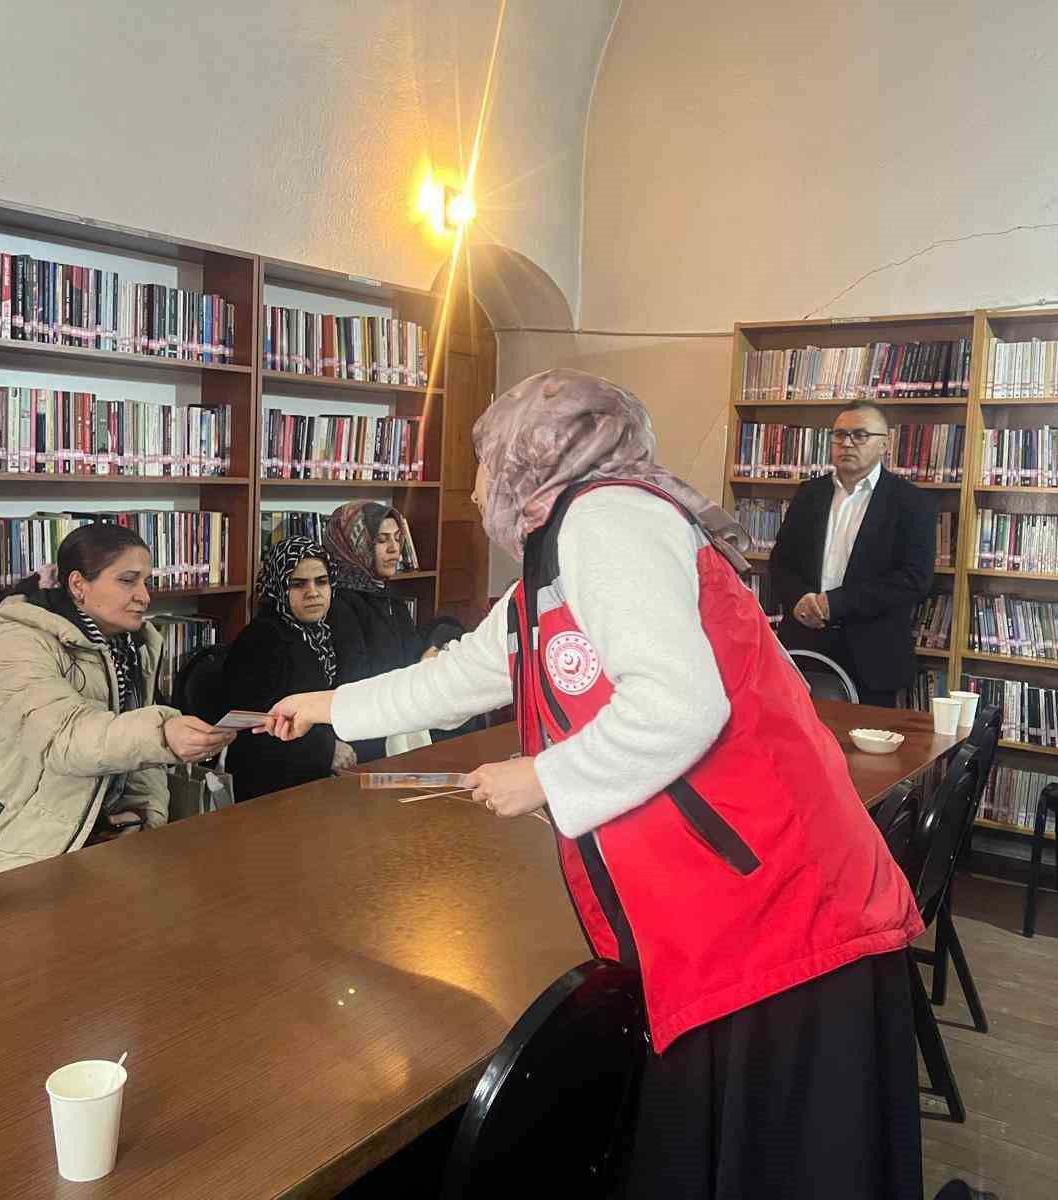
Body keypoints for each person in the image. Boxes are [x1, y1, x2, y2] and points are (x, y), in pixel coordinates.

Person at [267, 369, 925, 1198]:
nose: (475, 487)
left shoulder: (605, 521)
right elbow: (470, 672)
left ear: (537, 454)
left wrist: (540, 776)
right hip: (743, 893)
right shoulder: (570, 539)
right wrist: (328, 706)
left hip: (771, 901)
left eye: (485, 459)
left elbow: (679, 707)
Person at [0, 523, 235, 889]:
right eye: (128, 581)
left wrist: (145, 821)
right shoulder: (15, 644)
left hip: (89, 844)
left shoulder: (128, 649)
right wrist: (162, 732)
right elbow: (67, 738)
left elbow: (137, 763)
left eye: (146, 581)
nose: (145, 597)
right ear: (78, 585)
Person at [768, 400, 936, 706]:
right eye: (839, 435)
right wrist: (799, 598)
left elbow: (914, 579)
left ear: (885, 443)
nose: (847, 443)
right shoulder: (809, 494)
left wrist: (836, 603)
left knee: (866, 752)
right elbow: (780, 563)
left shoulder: (911, 502)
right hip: (805, 645)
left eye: (859, 435)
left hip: (872, 655)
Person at [223, 538, 359, 802]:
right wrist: (326, 750)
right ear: (278, 588)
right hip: (272, 786)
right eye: (298, 584)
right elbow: (250, 724)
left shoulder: (330, 632)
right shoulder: (260, 640)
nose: (313, 592)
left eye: (321, 581)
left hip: (321, 778)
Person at [323, 499, 427, 678]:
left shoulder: (386, 594)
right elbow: (356, 678)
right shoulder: (339, 603)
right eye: (381, 540)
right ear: (355, 545)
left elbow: (414, 653)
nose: (395, 549)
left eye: (397, 538)